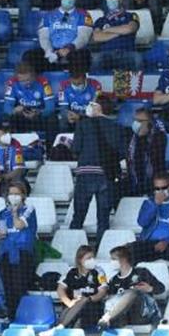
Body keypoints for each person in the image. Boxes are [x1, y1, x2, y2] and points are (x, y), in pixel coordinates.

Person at [70, 97, 123, 241]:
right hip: (107, 175)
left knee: (78, 217)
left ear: (98, 107)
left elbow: (75, 148)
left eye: (92, 104)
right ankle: (101, 250)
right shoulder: (116, 127)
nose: (89, 106)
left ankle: (74, 249)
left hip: (85, 174)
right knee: (103, 220)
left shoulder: (83, 124)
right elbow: (121, 152)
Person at [127, 172, 169, 284]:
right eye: (157, 188)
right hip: (150, 243)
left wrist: (167, 241)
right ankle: (134, 284)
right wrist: (155, 205)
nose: (161, 191)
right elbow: (142, 222)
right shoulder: (149, 203)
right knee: (132, 249)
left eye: (164, 188)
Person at [38, 246, 108, 336]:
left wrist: (89, 298)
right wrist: (69, 303)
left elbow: (103, 291)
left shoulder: (99, 272)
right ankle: (60, 329)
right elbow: (60, 289)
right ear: (80, 260)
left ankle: (58, 328)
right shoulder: (70, 272)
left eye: (92, 258)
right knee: (76, 319)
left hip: (92, 309)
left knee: (83, 301)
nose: (91, 260)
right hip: (73, 307)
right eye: (88, 258)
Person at [0, 181, 37, 319]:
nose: (14, 197)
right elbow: (0, 234)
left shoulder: (29, 209)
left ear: (23, 195)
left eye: (17, 194)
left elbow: (19, 225)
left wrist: (14, 213)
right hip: (6, 253)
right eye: (11, 194)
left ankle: (22, 316)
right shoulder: (2, 213)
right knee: (8, 288)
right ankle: (11, 317)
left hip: (22, 253)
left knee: (19, 287)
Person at [97, 245, 165, 329]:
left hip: (141, 314)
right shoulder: (114, 280)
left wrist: (149, 288)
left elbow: (161, 288)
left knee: (132, 292)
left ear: (123, 259)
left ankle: (106, 318)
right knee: (114, 301)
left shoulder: (142, 272)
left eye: (113, 259)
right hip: (123, 316)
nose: (111, 262)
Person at [91, 0, 143, 72]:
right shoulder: (101, 20)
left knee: (138, 58)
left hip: (127, 53)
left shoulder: (131, 16)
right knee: (96, 59)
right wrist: (120, 31)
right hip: (107, 54)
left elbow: (130, 29)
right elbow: (97, 37)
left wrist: (107, 30)